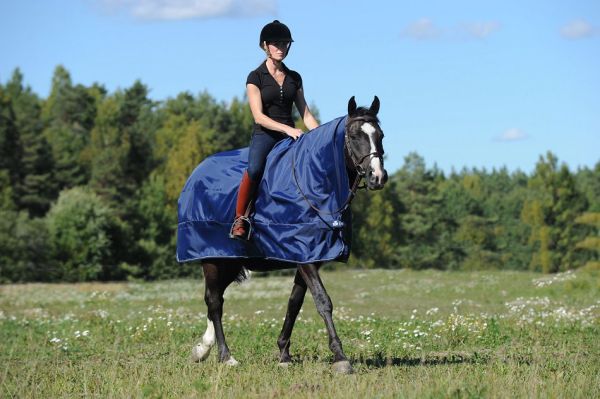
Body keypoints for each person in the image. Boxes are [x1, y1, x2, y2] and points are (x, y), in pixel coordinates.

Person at [230, 20, 319, 240]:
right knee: (255, 168)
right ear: (265, 46)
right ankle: (240, 218)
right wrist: (288, 130)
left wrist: (320, 137)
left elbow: (306, 115)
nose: (281, 47)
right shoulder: (255, 77)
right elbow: (259, 116)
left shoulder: (295, 78)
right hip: (266, 134)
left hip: (292, 135)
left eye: (285, 43)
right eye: (276, 43)